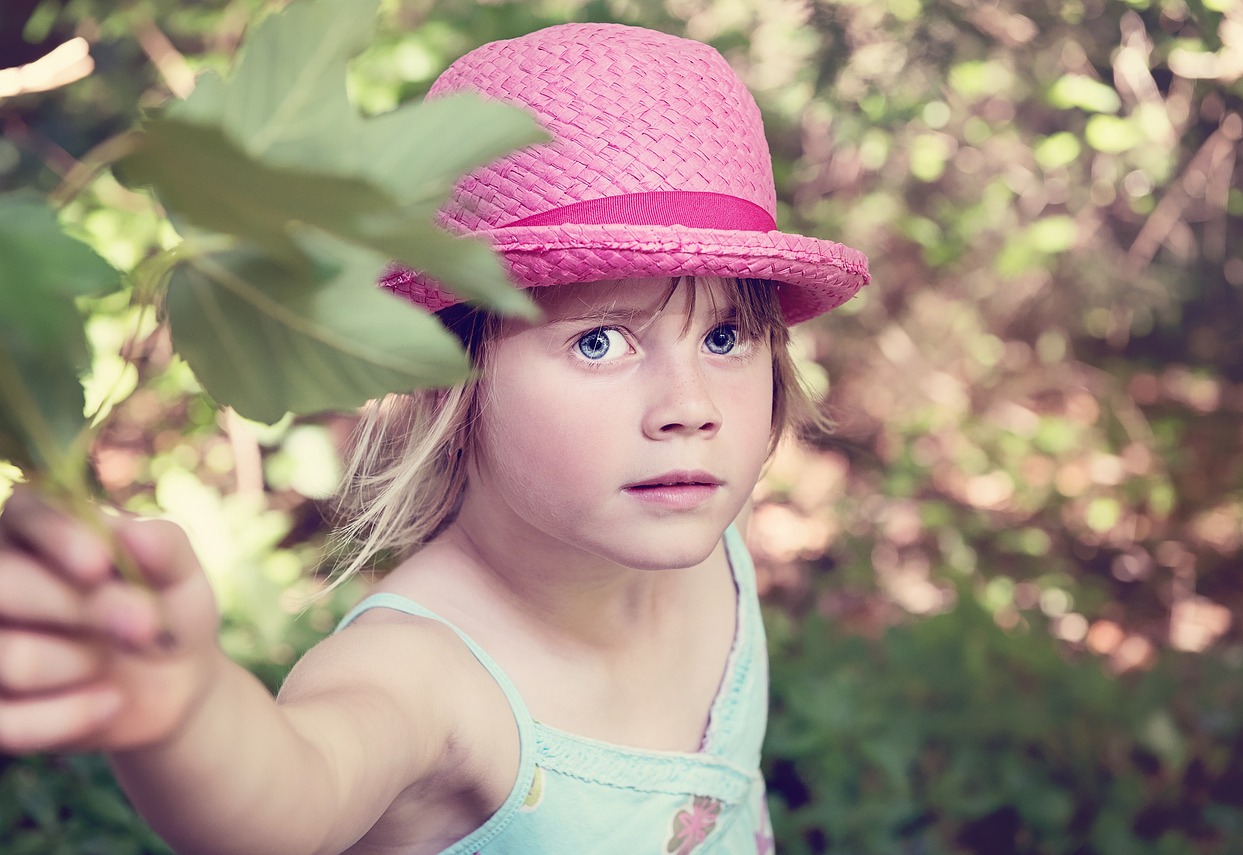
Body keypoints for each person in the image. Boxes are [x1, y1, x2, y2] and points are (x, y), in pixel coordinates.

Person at [0, 22, 868, 855]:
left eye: (724, 338)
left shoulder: (707, 540)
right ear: (450, 371)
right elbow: (293, 794)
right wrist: (185, 706)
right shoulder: (427, 671)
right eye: (600, 341)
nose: (691, 406)